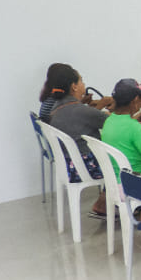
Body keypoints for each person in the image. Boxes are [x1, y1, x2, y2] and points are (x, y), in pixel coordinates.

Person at [44, 65, 108, 215]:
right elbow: (115, 124)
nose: (84, 84)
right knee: (122, 157)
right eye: (81, 81)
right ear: (74, 86)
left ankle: (104, 200)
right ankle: (111, 202)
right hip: (85, 168)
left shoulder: (56, 109)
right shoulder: (82, 111)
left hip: (68, 166)